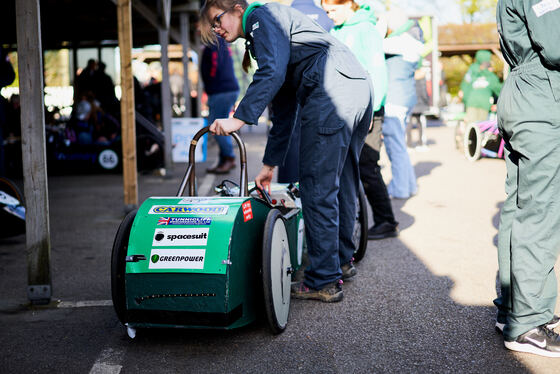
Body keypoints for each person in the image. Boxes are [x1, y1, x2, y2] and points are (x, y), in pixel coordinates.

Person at [200, 0, 373, 302]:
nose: (216, 29)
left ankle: (323, 280)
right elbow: (282, 107)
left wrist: (238, 118)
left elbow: (270, 74)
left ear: (237, 8)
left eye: (217, 19)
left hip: (332, 91)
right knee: (341, 180)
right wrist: (270, 164)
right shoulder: (271, 27)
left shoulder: (261, 17)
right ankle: (341, 261)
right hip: (356, 88)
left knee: (317, 186)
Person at [494, 0, 560, 357]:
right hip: (542, 100)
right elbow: (557, 44)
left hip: (524, 94)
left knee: (519, 210)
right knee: (540, 213)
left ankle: (512, 309)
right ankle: (529, 324)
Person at [321, 0, 398, 240]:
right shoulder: (335, 31)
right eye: (327, 12)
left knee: (367, 165)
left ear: (348, 4)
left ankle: (387, 221)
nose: (330, 16)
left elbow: (378, 71)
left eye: (333, 10)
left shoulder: (366, 29)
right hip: (344, 109)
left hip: (368, 110)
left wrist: (373, 109)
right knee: (345, 169)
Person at [276, 0, 334, 183]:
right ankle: (315, 185)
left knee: (289, 134)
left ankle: (289, 188)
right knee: (319, 136)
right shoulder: (327, 15)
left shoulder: (284, 15)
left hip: (290, 84)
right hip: (321, 85)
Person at [379, 8, 423, 199]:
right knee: (400, 146)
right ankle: (409, 186)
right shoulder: (413, 39)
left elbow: (375, 44)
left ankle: (400, 189)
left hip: (395, 100)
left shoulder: (402, 41)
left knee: (394, 146)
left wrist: (380, 24)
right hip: (405, 97)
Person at [201, 36, 240, 174]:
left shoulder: (214, 44)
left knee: (216, 125)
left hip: (221, 90)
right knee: (219, 125)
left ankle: (229, 158)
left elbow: (214, 67)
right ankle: (224, 159)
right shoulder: (220, 43)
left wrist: (210, 86)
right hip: (224, 89)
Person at [463, 61, 502, 125]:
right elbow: (499, 91)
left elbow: (466, 91)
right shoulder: (492, 77)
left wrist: (465, 102)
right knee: (481, 126)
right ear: (489, 68)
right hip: (484, 104)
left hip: (471, 103)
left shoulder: (474, 76)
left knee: (470, 125)